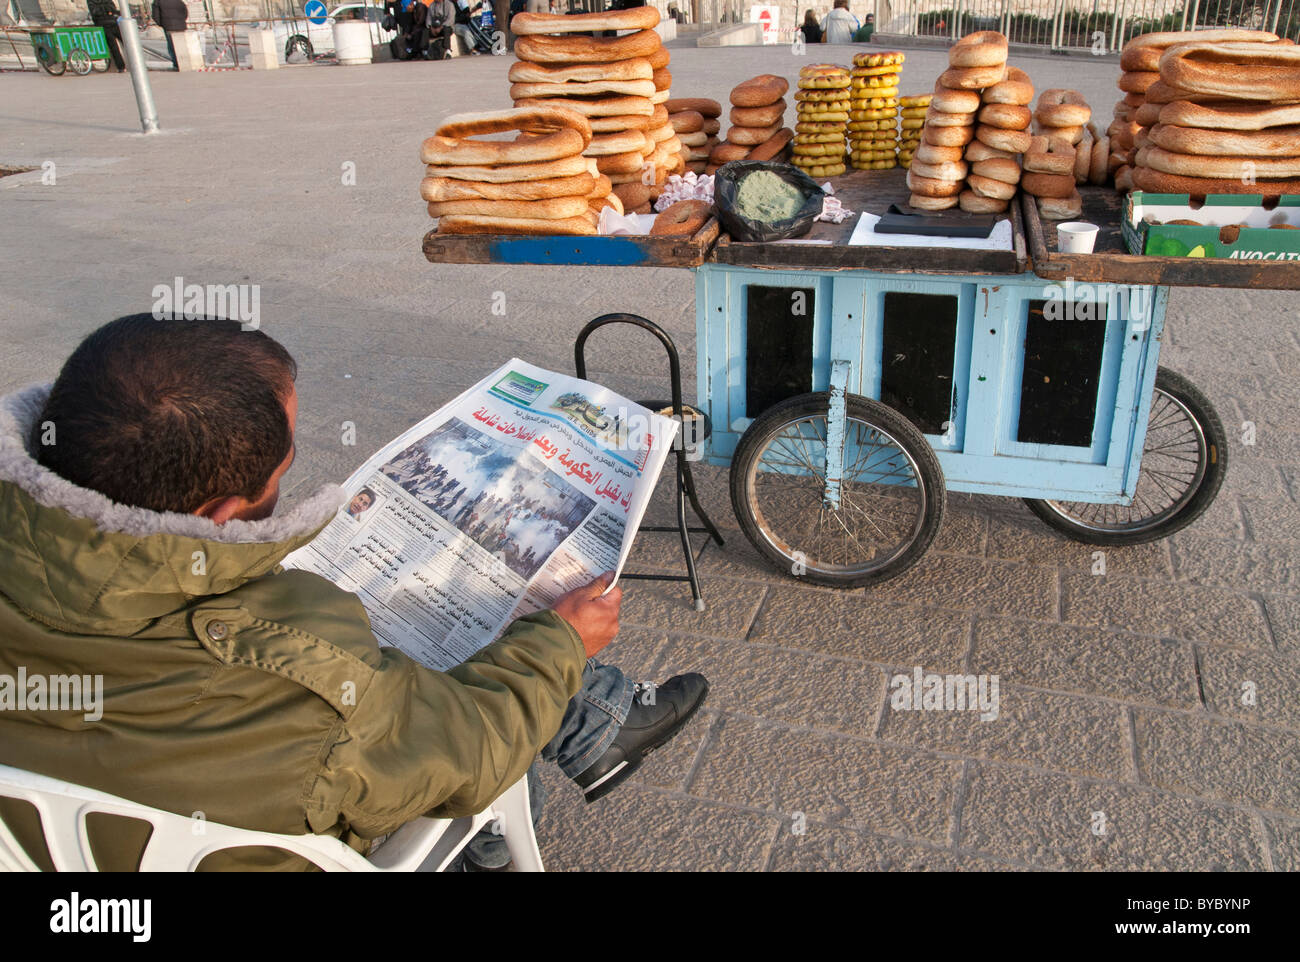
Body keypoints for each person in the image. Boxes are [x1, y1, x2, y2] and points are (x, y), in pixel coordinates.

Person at [0, 315, 709, 871]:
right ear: (219, 515)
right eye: (283, 470)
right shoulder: (302, 676)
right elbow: (467, 753)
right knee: (476, 653)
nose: (288, 480)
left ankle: (597, 722)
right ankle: (573, 743)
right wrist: (564, 642)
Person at [87, 0, 126, 72]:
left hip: (112, 23)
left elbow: (113, 9)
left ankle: (124, 66)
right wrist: (107, 10)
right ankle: (121, 66)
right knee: (114, 47)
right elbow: (95, 12)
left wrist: (104, 10)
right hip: (104, 25)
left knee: (125, 43)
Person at [150, 0, 188, 69]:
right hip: (181, 26)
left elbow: (155, 16)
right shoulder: (178, 1)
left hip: (168, 26)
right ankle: (185, 63)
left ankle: (176, 65)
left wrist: (162, 24)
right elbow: (185, 12)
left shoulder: (157, 1)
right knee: (182, 45)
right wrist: (182, 21)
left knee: (172, 47)